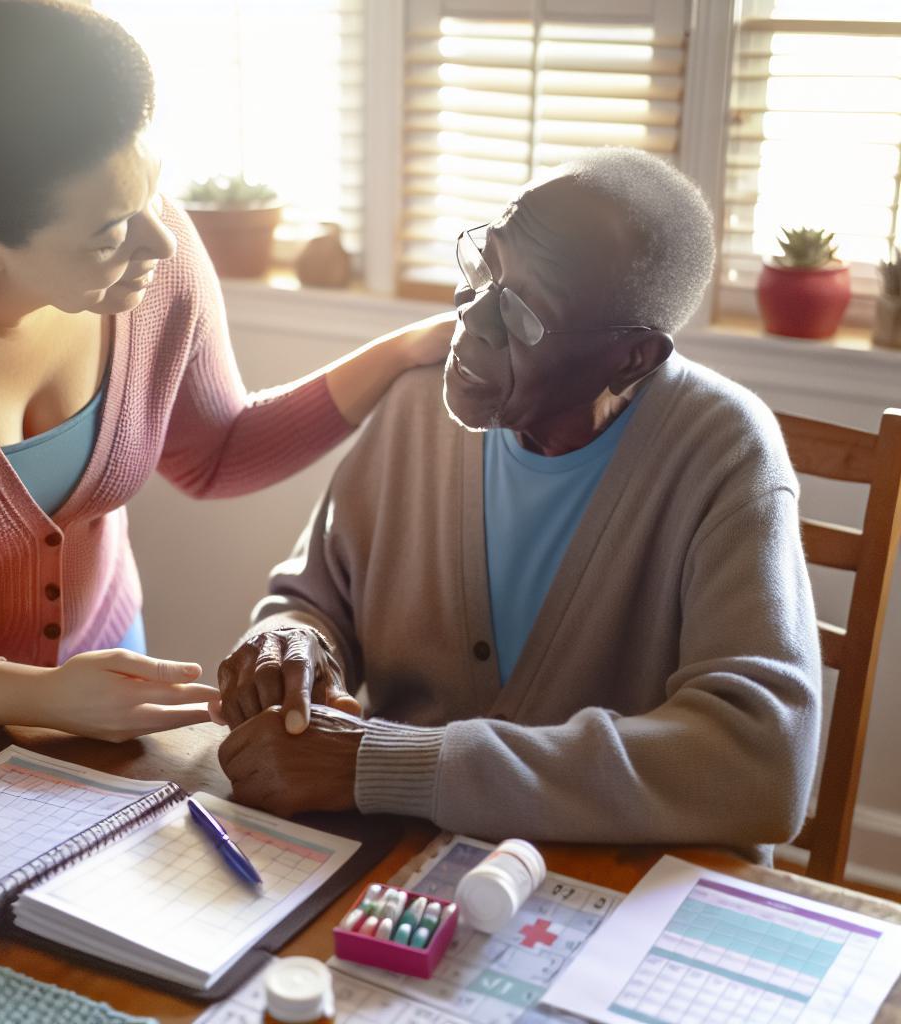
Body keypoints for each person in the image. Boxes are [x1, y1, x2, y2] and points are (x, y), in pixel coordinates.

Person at [213, 148, 822, 862]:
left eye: (526, 315)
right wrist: (293, 643)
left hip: (620, 885)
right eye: (483, 267)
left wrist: (389, 765)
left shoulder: (723, 450)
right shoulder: (416, 407)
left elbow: (760, 764)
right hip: (397, 868)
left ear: (633, 358)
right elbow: (314, 598)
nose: (473, 319)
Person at [0, 0, 452, 741]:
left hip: (103, 698)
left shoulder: (153, 262)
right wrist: (34, 696)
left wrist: (398, 353)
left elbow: (216, 452)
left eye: (151, 192)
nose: (157, 238)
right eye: (110, 230)